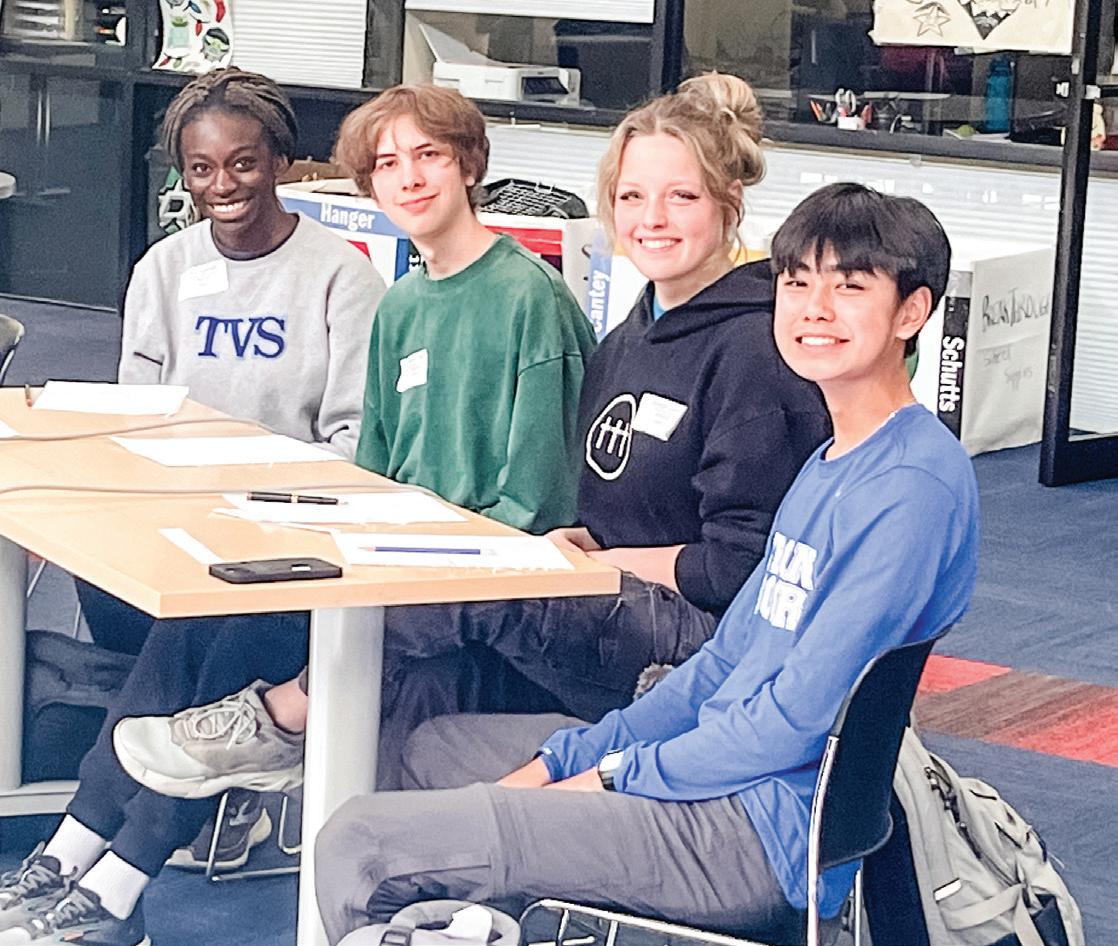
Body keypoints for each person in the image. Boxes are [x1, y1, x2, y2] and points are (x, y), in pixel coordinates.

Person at [107, 73, 831, 805]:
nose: (653, 219)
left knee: (482, 581)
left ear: (728, 203)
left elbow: (741, 568)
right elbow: (622, 506)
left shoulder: (753, 350)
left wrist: (594, 559)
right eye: (632, 197)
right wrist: (587, 543)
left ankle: (280, 717)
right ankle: (339, 843)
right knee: (406, 684)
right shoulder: (632, 338)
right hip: (607, 597)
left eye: (682, 197)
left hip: (702, 649)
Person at [308, 182, 982, 946]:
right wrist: (574, 758)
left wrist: (612, 775)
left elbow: (795, 723)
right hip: (707, 781)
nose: (813, 309)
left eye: (849, 288)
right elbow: (722, 664)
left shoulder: (913, 486)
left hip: (757, 833)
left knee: (360, 844)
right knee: (435, 748)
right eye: (797, 283)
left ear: (911, 312)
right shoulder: (832, 459)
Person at [0, 84, 594, 946]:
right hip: (358, 544)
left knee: (238, 621)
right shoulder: (407, 302)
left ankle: (118, 882)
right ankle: (75, 854)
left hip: (451, 585)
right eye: (387, 164)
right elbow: (380, 470)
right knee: (195, 624)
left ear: (469, 164)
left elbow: (529, 503)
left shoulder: (521, 298)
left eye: (428, 157)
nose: (408, 178)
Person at [75, 65, 387, 658]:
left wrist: (249, 486)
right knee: (95, 564)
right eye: (201, 168)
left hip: (286, 522)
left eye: (242, 163)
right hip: (174, 510)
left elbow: (357, 443)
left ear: (280, 162)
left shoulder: (343, 278)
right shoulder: (162, 269)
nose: (222, 185)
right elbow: (133, 418)